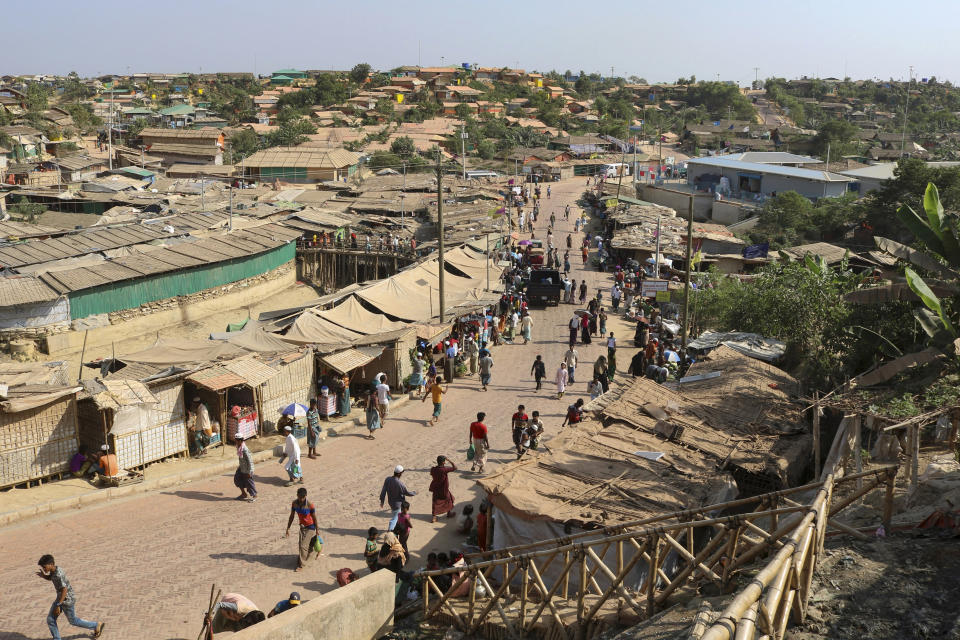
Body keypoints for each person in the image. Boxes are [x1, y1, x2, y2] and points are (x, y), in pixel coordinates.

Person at [37, 555, 104, 640]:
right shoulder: (54, 570)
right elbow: (51, 578)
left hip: (66, 600)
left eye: (44, 566)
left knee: (73, 621)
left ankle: (96, 625)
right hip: (61, 598)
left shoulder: (59, 574)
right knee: (50, 619)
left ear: (51, 564)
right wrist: (44, 576)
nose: (43, 569)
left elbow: (64, 590)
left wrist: (59, 604)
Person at [285, 488, 318, 571]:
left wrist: (317, 529)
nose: (301, 499)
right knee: (301, 545)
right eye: (300, 497)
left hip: (310, 527)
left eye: (303, 497)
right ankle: (308, 555)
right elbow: (291, 516)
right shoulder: (294, 504)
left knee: (303, 545)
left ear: (305, 496)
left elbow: (314, 518)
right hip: (302, 527)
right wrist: (288, 528)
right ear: (297, 495)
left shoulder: (310, 505)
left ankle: (301, 565)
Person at [380, 464, 416, 533]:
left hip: (391, 502)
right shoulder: (399, 483)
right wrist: (414, 493)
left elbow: (383, 491)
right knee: (395, 518)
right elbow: (406, 492)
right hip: (398, 504)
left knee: (396, 516)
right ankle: (390, 531)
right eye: (402, 473)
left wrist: (382, 501)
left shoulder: (387, 479)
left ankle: (395, 530)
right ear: (399, 473)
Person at [429, 455, 457, 523]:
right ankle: (449, 513)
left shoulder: (433, 469)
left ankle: (434, 517)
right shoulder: (444, 469)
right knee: (448, 500)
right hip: (443, 488)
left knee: (435, 502)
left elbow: (431, 473)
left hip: (436, 488)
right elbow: (455, 467)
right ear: (443, 462)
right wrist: (449, 460)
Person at [234, 434, 257, 502]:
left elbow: (250, 461)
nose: (236, 442)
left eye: (237, 441)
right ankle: (244, 494)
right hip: (241, 468)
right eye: (236, 440)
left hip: (247, 469)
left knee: (249, 482)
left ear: (241, 441)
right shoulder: (239, 447)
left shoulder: (245, 449)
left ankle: (254, 495)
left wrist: (250, 471)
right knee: (237, 479)